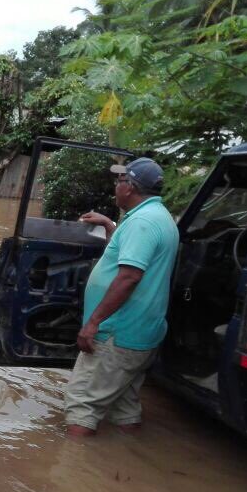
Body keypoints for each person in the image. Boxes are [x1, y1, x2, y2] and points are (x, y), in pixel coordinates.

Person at [64, 157, 179, 438]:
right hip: (141, 333)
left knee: (82, 405)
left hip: (116, 334)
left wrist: (93, 323)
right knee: (123, 405)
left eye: (120, 180)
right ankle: (126, 462)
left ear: (130, 187)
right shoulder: (157, 217)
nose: (116, 186)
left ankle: (72, 471)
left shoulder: (142, 223)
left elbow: (129, 277)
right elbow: (130, 255)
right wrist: (108, 225)